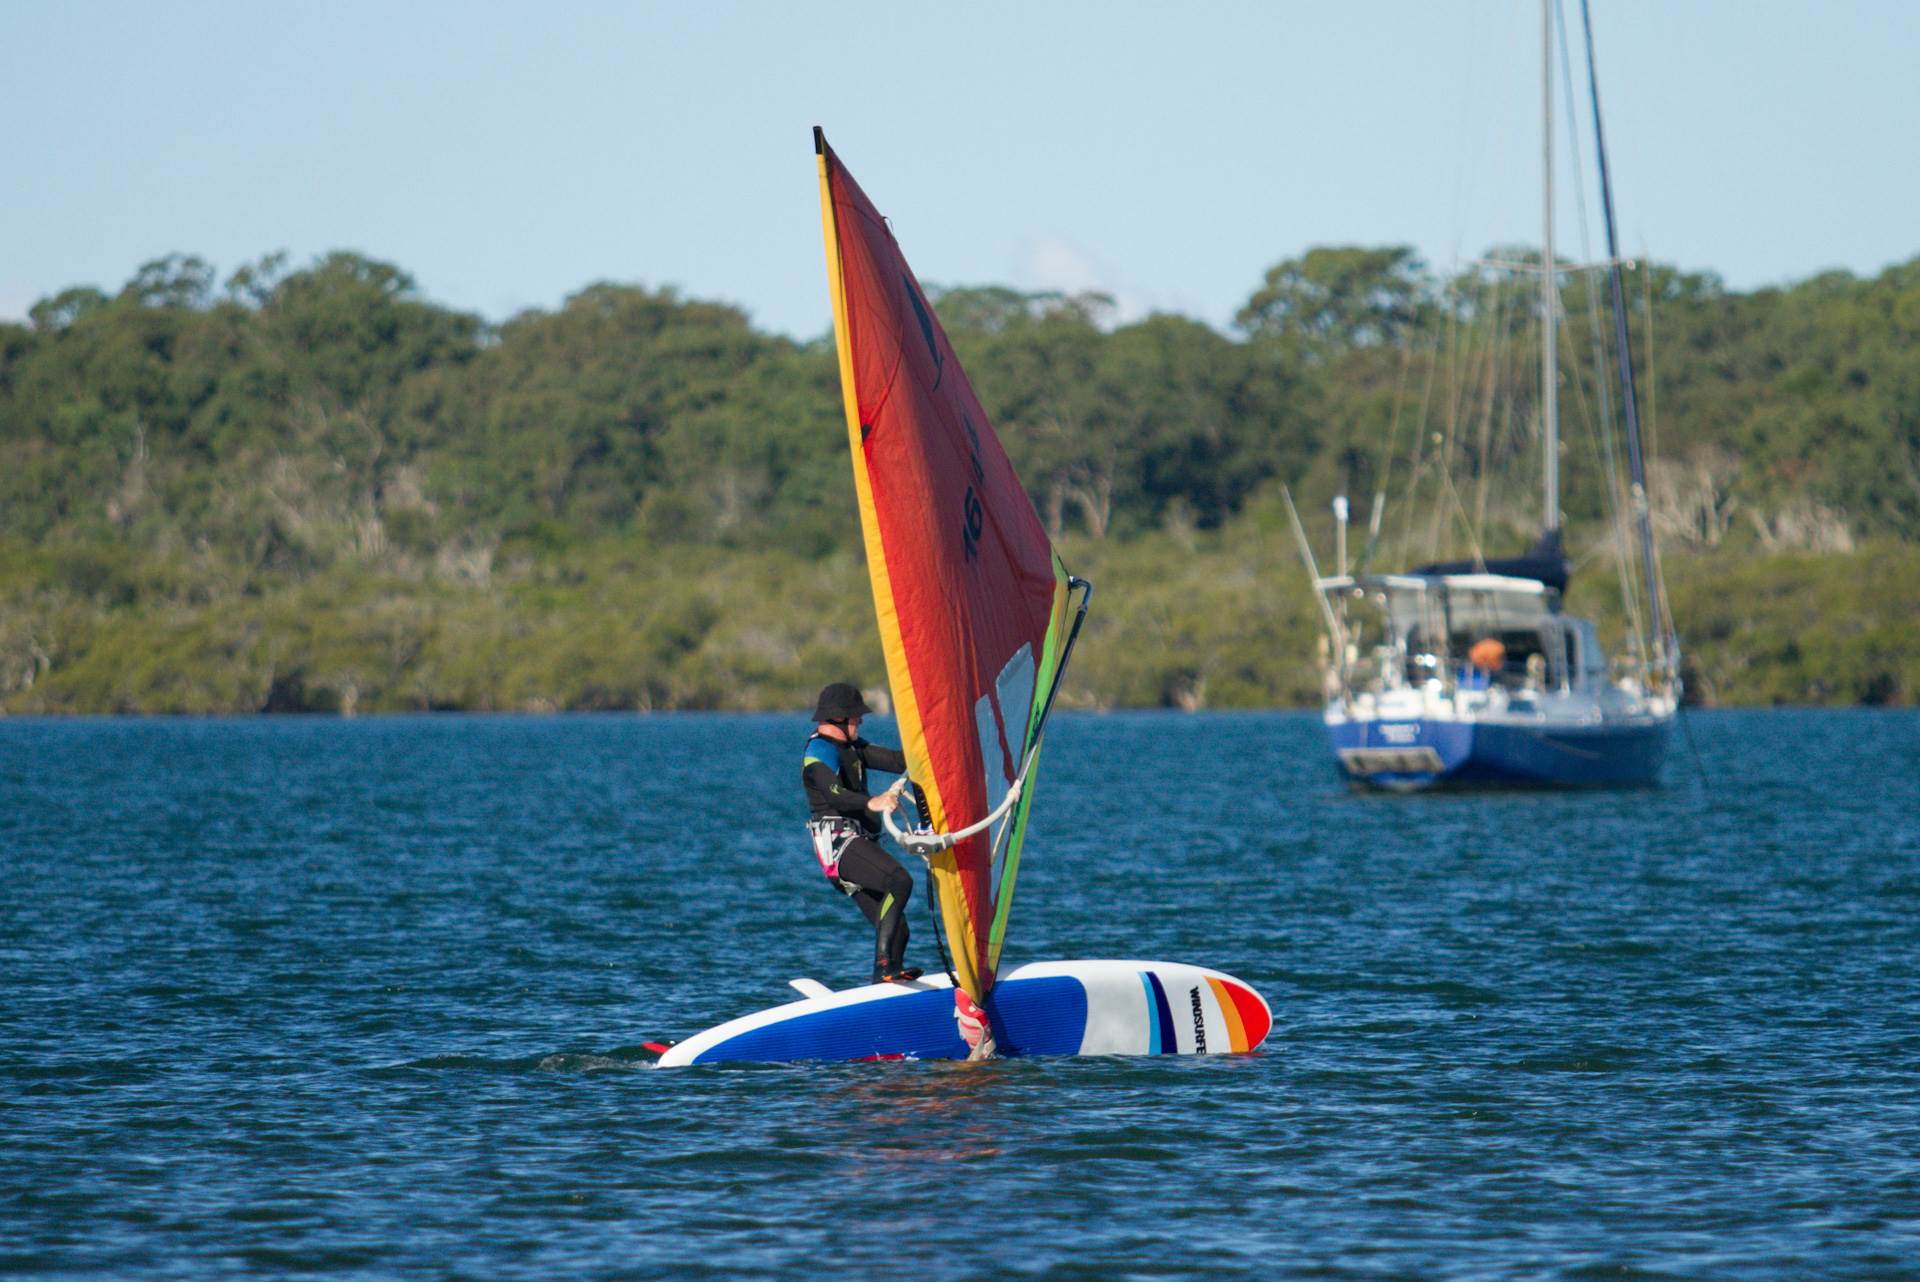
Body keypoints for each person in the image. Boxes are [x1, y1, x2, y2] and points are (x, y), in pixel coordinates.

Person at [801, 682, 923, 985]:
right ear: (839, 718)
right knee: (899, 880)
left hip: (855, 846)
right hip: (840, 847)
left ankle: (885, 983)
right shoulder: (818, 751)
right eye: (857, 716)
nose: (861, 720)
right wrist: (873, 802)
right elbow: (835, 795)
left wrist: (933, 743)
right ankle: (884, 966)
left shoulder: (853, 747)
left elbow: (898, 761)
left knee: (899, 931)